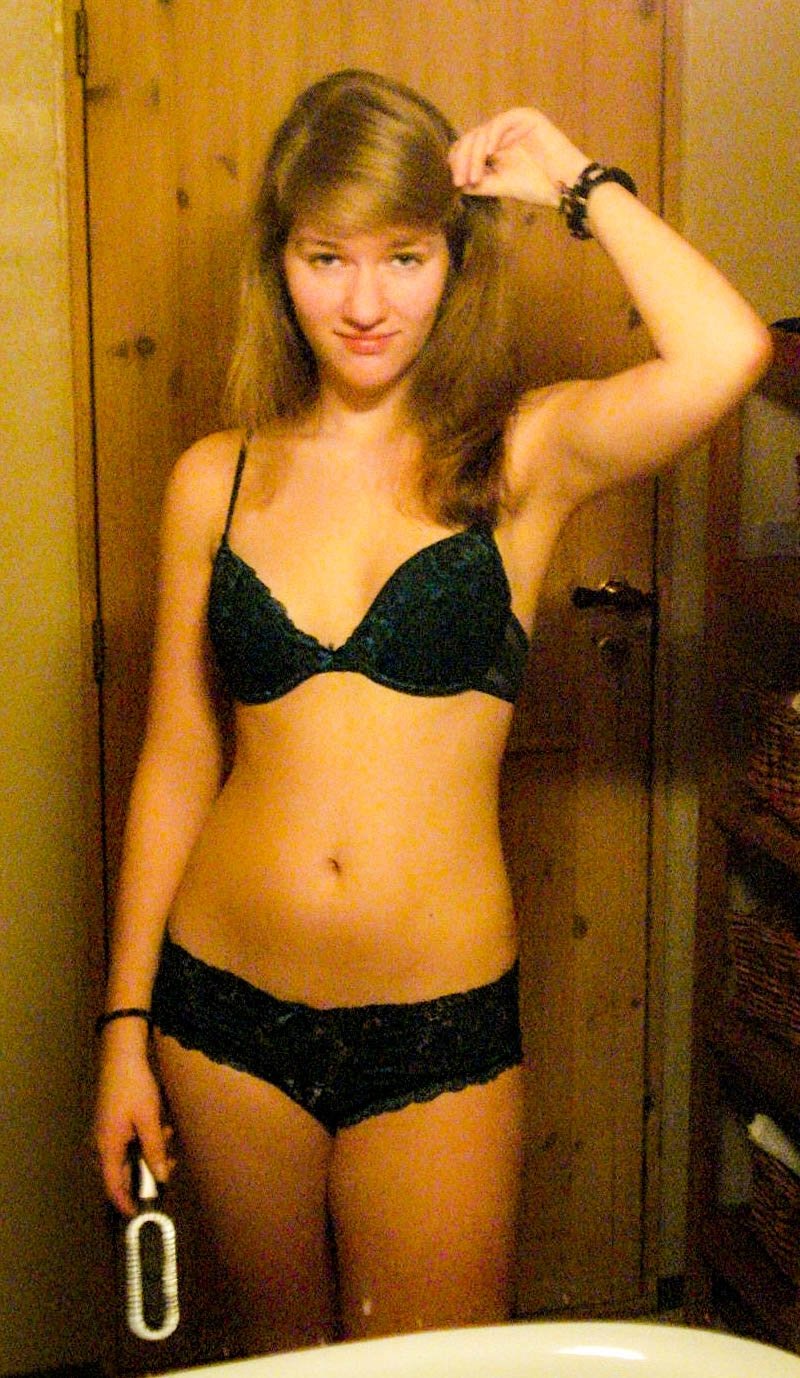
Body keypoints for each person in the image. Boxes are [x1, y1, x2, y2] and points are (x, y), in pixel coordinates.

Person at [94, 69, 770, 1353]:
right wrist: (124, 1028)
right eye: (325, 257)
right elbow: (177, 756)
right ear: (278, 264)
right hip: (217, 1011)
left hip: (436, 1032)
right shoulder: (212, 482)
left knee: (432, 1364)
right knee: (275, 1363)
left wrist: (575, 182)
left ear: (454, 261)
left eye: (404, 256)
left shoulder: (519, 456)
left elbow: (725, 353)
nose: (363, 303)